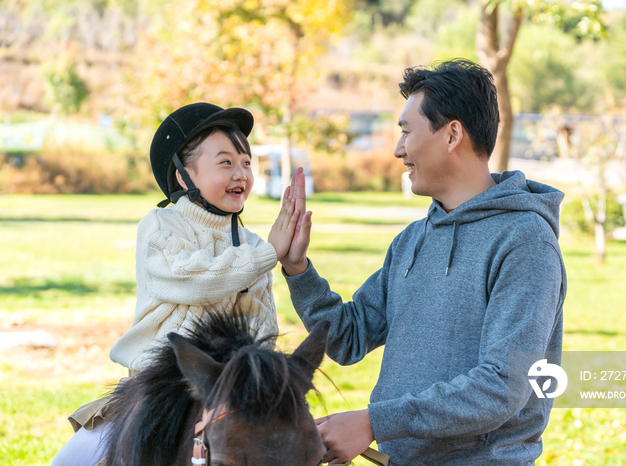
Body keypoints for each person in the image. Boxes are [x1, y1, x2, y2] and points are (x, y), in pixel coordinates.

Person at [281, 59, 567, 465]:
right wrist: (297, 269)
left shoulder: (525, 243)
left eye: (406, 132)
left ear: (452, 135)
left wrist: (375, 422)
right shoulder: (412, 241)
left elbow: (504, 385)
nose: (398, 149)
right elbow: (348, 338)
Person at [53, 102, 305, 466]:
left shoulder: (253, 247)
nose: (241, 174)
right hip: (158, 391)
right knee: (70, 461)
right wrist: (268, 254)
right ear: (183, 177)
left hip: (225, 395)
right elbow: (192, 280)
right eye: (225, 162)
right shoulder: (161, 226)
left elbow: (261, 327)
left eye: (246, 163)